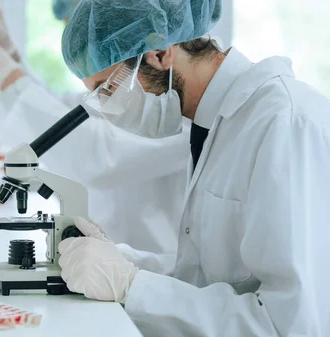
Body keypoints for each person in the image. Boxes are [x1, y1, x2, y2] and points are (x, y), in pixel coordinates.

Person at [57, 0, 330, 336]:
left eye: (109, 87)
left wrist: (131, 285)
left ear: (159, 52)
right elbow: (207, 281)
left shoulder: (284, 123)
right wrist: (122, 262)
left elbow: (288, 324)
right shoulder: (210, 124)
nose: (109, 106)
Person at [0, 0, 189, 274]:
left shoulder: (177, 100)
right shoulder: (132, 82)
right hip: (104, 262)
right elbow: (68, 113)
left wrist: (9, 77)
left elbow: (100, 155)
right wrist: (10, 57)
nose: (79, 38)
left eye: (84, 24)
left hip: (154, 274)